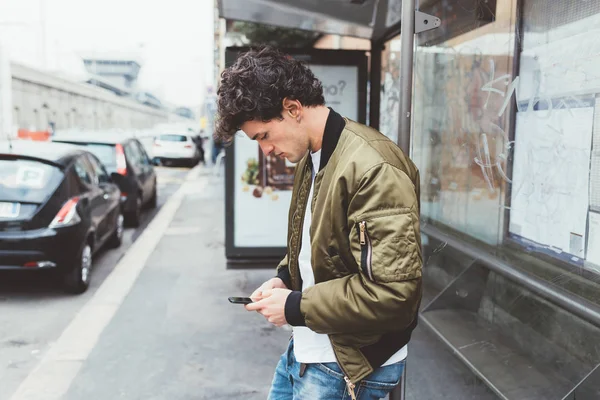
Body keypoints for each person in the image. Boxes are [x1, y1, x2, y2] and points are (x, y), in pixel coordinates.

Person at [215, 46, 422, 400]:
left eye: (263, 136)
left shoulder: (372, 167)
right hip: (313, 348)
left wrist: (295, 306)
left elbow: (393, 294)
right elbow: (319, 245)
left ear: (292, 108)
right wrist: (284, 278)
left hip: (348, 366)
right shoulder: (315, 155)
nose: (265, 151)